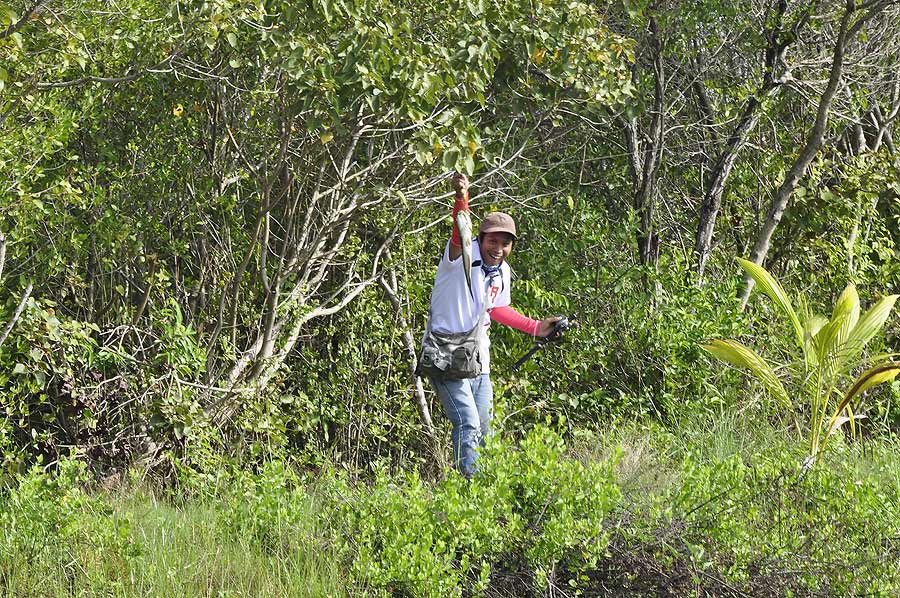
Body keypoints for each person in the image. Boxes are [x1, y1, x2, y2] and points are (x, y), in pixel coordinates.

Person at [426, 173, 560, 477]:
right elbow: (460, 230)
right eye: (493, 241)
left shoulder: (502, 271)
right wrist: (462, 195)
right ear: (480, 239)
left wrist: (538, 327)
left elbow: (498, 309)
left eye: (505, 243)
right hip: (445, 355)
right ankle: (471, 490)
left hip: (478, 359)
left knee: (485, 428)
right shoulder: (459, 256)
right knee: (467, 423)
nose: (498, 248)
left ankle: (485, 490)